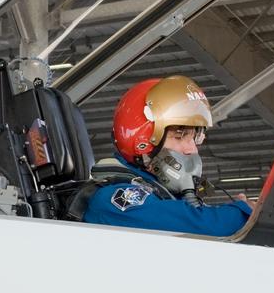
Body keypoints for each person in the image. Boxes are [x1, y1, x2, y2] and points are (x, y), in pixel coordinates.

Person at [82, 75, 252, 235]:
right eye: (179, 136)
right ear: (143, 141)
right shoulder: (114, 200)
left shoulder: (165, 196)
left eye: (195, 137)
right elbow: (203, 226)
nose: (192, 149)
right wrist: (245, 212)